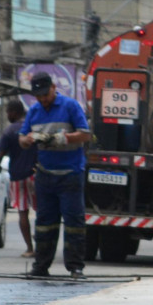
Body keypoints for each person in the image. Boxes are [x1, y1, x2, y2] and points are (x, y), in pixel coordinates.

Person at [16, 73, 94, 277]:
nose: (43, 99)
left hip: (70, 174)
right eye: (39, 96)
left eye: (45, 94)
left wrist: (63, 139)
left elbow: (85, 134)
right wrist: (29, 140)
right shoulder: (34, 111)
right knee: (44, 223)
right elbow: (22, 139)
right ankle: (41, 266)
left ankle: (75, 267)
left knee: (74, 223)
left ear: (53, 87)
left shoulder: (70, 106)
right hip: (45, 175)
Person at [0, 99, 37, 257]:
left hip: (17, 178)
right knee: (41, 212)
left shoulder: (9, 131)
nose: (7, 115)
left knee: (23, 213)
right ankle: (41, 245)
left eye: (8, 112)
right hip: (34, 176)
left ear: (14, 112)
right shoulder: (33, 129)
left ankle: (30, 249)